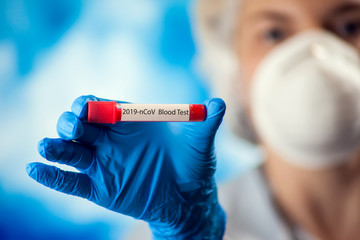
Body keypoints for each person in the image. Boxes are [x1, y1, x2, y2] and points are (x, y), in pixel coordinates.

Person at [26, 0, 360, 239]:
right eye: (274, 33)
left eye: (350, 26)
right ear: (232, 66)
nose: (313, 54)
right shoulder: (158, 233)